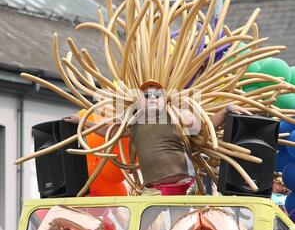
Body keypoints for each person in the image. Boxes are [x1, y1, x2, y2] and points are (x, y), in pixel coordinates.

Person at [65, 80, 252, 197]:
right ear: (140, 101)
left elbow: (204, 129)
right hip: (153, 188)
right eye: (147, 95)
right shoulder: (134, 123)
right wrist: (81, 121)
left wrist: (226, 109)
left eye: (157, 94)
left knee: (182, 226)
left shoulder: (175, 117)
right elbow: (109, 131)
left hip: (182, 184)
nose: (153, 97)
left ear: (165, 100)